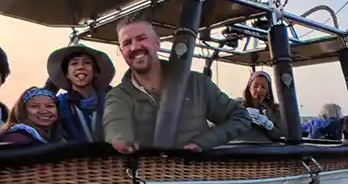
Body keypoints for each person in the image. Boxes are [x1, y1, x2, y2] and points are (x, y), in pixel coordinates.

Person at [103, 17, 252, 153]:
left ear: (157, 43)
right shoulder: (119, 95)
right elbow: (115, 123)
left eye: (141, 38)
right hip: (147, 177)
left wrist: (202, 143)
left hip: (196, 175)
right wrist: (120, 141)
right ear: (121, 50)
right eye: (127, 43)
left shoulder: (196, 83)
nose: (135, 47)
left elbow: (240, 117)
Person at [46, 43, 116, 143]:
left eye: (87, 63)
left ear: (96, 72)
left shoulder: (113, 102)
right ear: (67, 74)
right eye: (74, 63)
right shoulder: (58, 104)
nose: (80, 67)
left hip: (112, 158)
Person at [0, 87, 64, 145]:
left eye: (49, 106)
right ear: (23, 111)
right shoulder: (16, 138)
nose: (43, 111)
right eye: (34, 106)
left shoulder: (58, 137)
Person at [241, 71, 286, 142]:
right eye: (255, 86)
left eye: (263, 87)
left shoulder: (275, 109)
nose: (259, 90)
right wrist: (241, 115)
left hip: (266, 150)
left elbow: (283, 133)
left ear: (268, 91)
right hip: (240, 149)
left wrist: (268, 125)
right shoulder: (238, 105)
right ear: (249, 88)